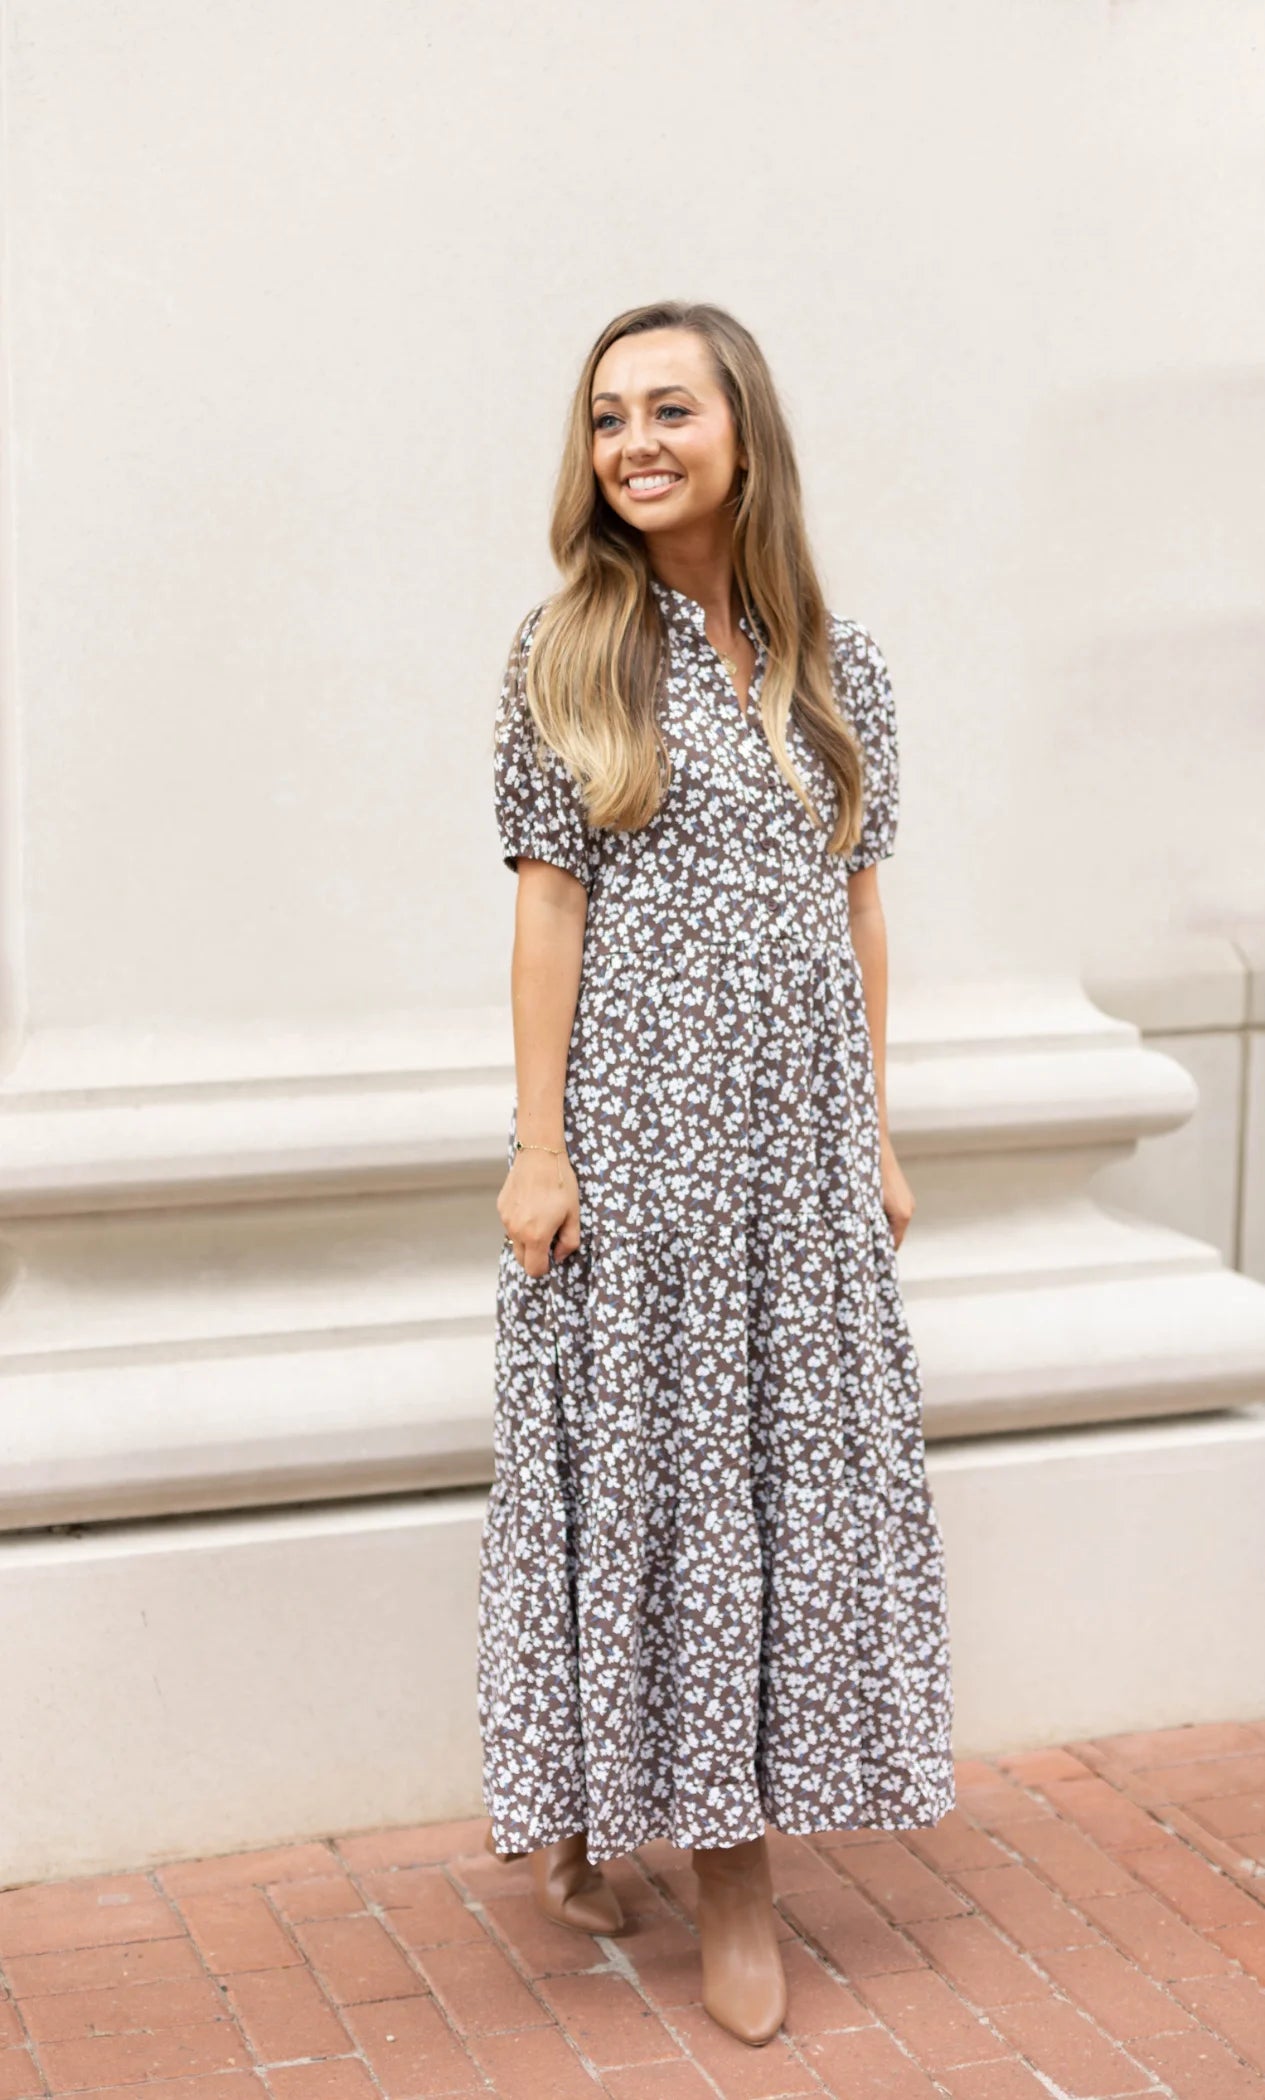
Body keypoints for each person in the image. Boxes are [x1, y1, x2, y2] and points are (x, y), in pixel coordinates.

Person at [476, 299, 955, 2049]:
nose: (633, 443)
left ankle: (636, 1816)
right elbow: (547, 901)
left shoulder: (840, 665)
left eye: (667, 408)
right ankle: (721, 1873)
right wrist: (542, 1148)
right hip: (645, 1150)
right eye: (607, 418)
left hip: (800, 1161)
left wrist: (876, 1132)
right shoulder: (569, 651)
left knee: (765, 1489)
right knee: (654, 1480)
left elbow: (857, 911)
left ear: (741, 428)